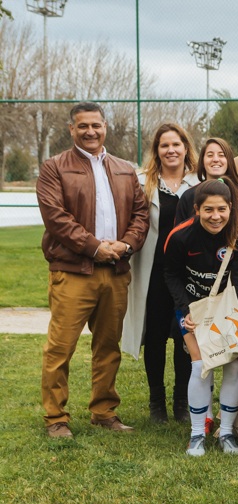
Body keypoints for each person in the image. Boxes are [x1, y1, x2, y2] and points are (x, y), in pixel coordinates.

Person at [37, 102, 149, 438]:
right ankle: (56, 417)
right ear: (71, 129)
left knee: (107, 346)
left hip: (115, 272)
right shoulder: (54, 167)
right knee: (61, 347)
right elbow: (56, 219)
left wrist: (125, 245)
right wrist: (95, 247)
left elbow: (141, 215)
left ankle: (104, 412)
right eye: (83, 126)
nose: (90, 131)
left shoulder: (125, 169)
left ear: (105, 127)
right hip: (73, 271)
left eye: (96, 125)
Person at [162, 178, 238, 456]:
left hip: (228, 306)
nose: (216, 217)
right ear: (197, 209)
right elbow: (171, 275)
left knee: (234, 365)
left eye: (222, 210)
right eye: (209, 210)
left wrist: (230, 315)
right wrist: (186, 309)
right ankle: (197, 434)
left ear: (232, 209)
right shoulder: (179, 236)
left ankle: (226, 433)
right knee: (201, 364)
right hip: (193, 307)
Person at [122, 123, 199, 424]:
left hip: (187, 274)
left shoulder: (198, 183)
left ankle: (182, 401)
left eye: (176, 144)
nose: (171, 150)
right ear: (156, 151)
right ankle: (157, 403)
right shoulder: (143, 183)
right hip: (153, 272)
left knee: (185, 335)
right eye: (164, 145)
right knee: (154, 337)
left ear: (185, 148)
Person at [175, 137, 238, 225]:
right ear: (202, 161)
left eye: (221, 155)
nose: (216, 159)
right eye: (210, 155)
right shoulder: (188, 196)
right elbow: (179, 234)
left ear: (229, 160)